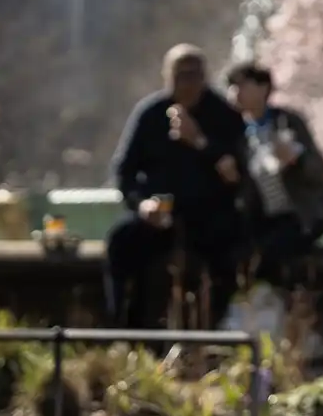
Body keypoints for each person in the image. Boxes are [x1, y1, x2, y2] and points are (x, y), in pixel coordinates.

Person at [104, 45, 248, 329]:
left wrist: (199, 141)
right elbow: (124, 170)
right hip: (161, 213)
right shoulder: (150, 113)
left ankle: (215, 330)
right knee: (121, 242)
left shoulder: (224, 115)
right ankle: (123, 329)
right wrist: (141, 204)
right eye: (180, 76)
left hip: (210, 214)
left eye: (194, 76)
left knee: (230, 248)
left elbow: (238, 173)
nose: (188, 83)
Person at [224, 62, 323, 289]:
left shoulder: (287, 122)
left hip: (299, 215)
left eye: (241, 86)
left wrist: (296, 160)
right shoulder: (239, 133)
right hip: (264, 219)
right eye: (232, 87)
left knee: (268, 256)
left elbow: (317, 169)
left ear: (263, 88)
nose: (235, 93)